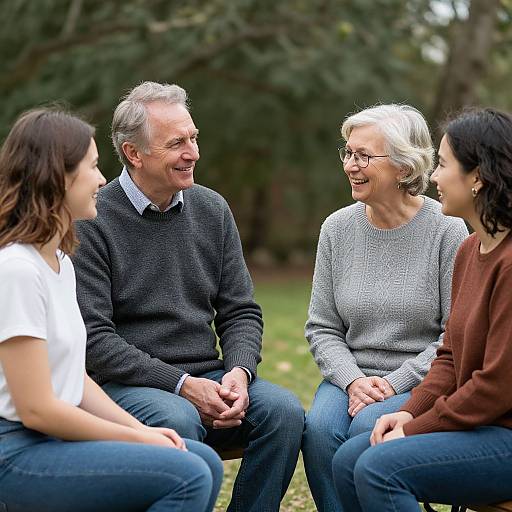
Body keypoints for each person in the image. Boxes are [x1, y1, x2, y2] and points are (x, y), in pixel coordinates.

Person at [72, 81, 304, 512]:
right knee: (178, 418)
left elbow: (241, 311)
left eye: (193, 138)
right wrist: (181, 385)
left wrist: (239, 371)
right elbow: (94, 340)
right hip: (128, 387)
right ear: (133, 154)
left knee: (284, 412)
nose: (193, 152)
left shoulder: (211, 208)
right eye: (176, 143)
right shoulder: (92, 218)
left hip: (211, 376)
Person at [0, 108, 223, 512]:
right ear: (58, 177)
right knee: (187, 474)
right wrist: (138, 439)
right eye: (92, 167)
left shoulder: (59, 262)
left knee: (200, 458)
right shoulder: (16, 270)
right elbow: (36, 409)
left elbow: (76, 380)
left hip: (52, 439)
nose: (103, 179)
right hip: (16, 451)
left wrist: (143, 431)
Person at [331, 108, 512, 511]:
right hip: (478, 425)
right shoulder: (470, 251)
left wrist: (418, 426)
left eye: (444, 165)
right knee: (346, 460)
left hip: (503, 433)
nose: (432, 177)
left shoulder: (509, 264)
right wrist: (409, 412)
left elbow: (496, 387)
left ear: (478, 177)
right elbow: (448, 356)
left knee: (378, 468)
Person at [302, 104, 468, 511]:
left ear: (402, 166)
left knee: (365, 427)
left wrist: (393, 384)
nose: (350, 165)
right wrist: (353, 380)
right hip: (351, 375)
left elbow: (456, 334)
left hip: (417, 380)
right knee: (319, 430)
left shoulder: (448, 230)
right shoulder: (336, 228)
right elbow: (322, 326)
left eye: (363, 155)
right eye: (347, 152)